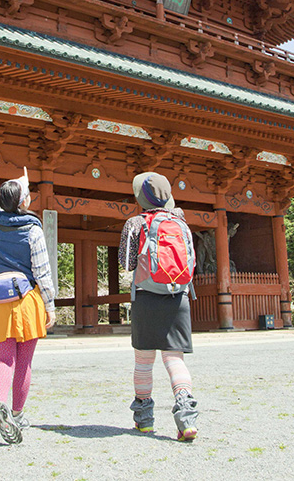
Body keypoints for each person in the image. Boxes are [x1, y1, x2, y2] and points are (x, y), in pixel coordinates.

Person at [118, 171, 200, 441]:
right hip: (178, 296)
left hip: (146, 296)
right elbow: (192, 262)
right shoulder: (182, 224)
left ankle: (144, 421)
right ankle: (186, 418)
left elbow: (127, 263)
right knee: (174, 359)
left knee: (143, 361)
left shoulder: (135, 223)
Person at [0, 168, 57, 444]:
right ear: (24, 201)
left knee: (4, 360)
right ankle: (16, 413)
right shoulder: (32, 229)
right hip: (27, 299)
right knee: (24, 363)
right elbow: (42, 269)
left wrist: (15, 190)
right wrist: (49, 304)